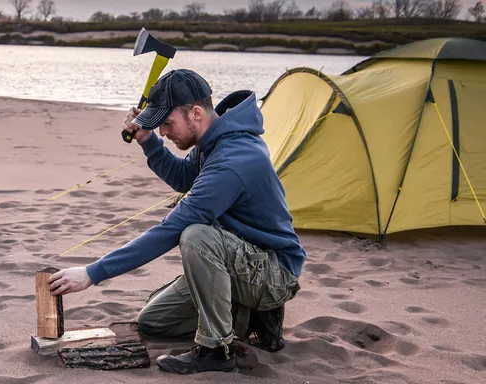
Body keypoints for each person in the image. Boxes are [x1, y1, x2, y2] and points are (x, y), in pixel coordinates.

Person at [48, 69, 306, 374]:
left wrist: (93, 272)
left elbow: (172, 228)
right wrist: (147, 141)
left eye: (167, 124)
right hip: (238, 263)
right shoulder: (214, 141)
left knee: (195, 235)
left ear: (196, 113)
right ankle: (247, 316)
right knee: (152, 320)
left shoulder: (235, 158)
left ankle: (216, 350)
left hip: (273, 272)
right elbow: (186, 177)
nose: (164, 134)